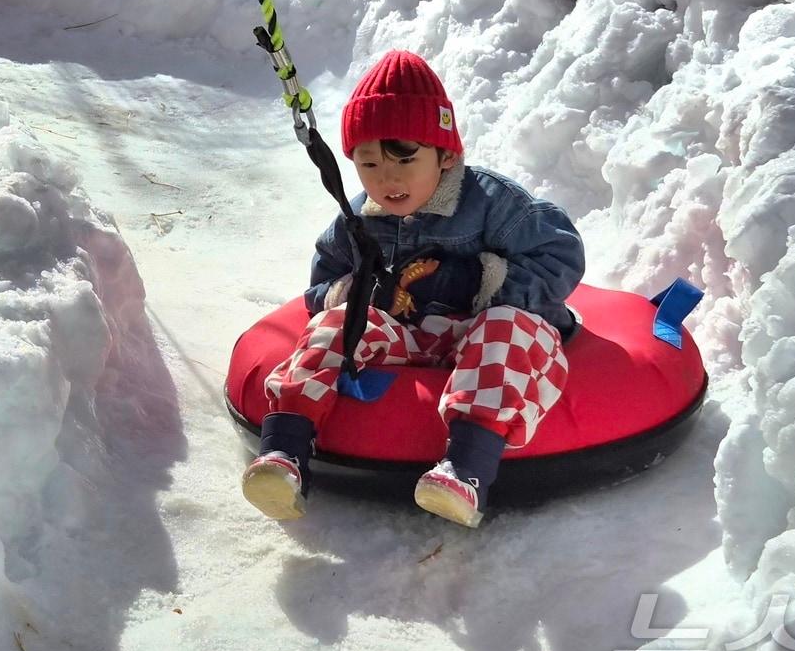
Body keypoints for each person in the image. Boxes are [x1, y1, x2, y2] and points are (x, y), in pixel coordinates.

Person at [242, 50, 585, 528]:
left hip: (486, 333)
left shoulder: (491, 203)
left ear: (444, 154)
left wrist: (483, 284)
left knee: (506, 329)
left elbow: (561, 253)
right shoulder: (356, 220)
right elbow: (320, 291)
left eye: (405, 156)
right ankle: (285, 455)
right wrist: (362, 295)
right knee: (335, 324)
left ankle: (465, 472)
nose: (389, 178)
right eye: (368, 162)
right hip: (408, 339)